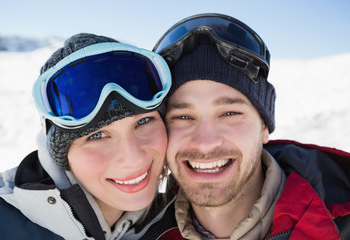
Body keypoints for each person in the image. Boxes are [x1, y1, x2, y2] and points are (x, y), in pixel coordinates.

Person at [144, 13, 350, 239]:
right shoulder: (140, 232)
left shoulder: (343, 224)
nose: (205, 142)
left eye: (229, 113)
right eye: (183, 117)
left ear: (264, 126)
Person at [0, 33, 173, 240]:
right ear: (62, 154)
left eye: (143, 122)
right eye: (97, 136)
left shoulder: (174, 222)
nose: (134, 158)